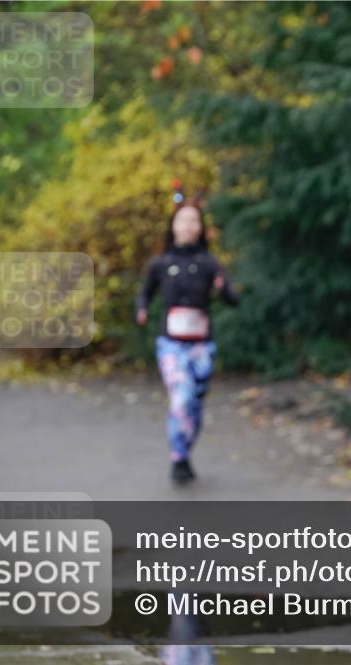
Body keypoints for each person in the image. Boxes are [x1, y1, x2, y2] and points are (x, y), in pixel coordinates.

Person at [136, 182, 239, 483]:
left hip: (202, 347)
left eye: (194, 220)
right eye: (183, 220)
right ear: (173, 226)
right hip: (170, 344)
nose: (188, 225)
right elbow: (144, 294)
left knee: (193, 404)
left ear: (201, 227)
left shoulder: (210, 263)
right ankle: (178, 457)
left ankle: (185, 449)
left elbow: (234, 300)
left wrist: (223, 290)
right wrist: (141, 310)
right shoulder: (160, 264)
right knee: (180, 398)